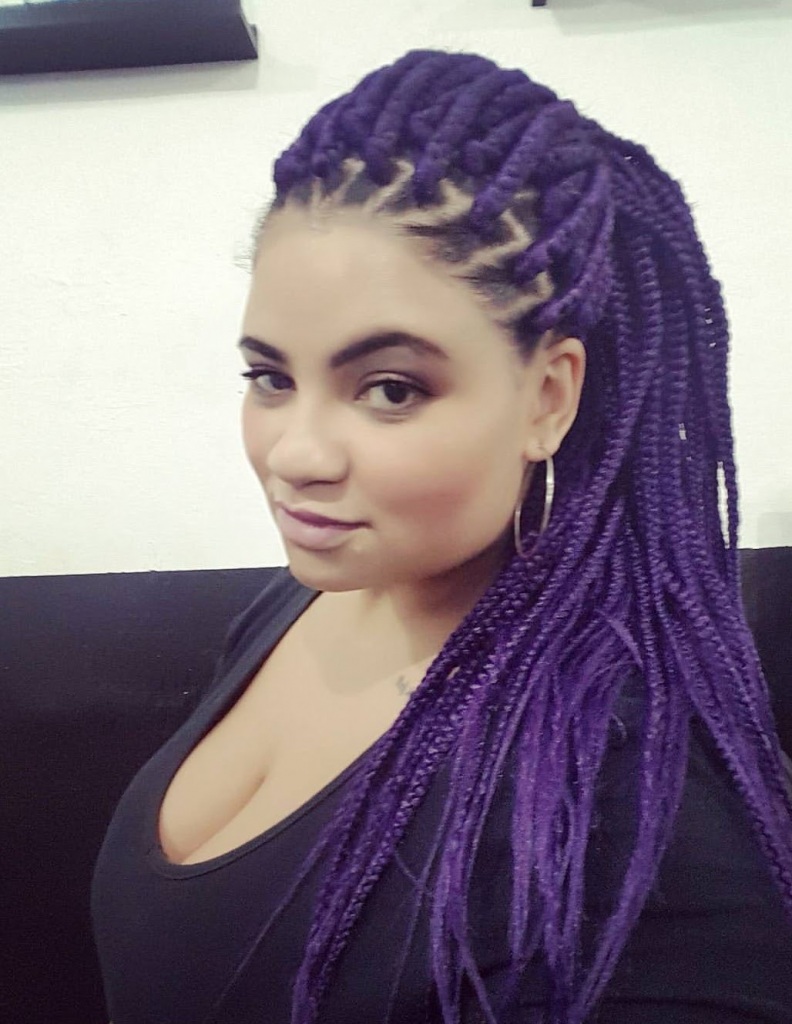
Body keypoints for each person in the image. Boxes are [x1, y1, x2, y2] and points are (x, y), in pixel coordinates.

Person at [90, 49, 792, 1024]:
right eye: (270, 378)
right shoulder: (305, 601)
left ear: (548, 397)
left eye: (389, 389)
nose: (295, 454)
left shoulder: (627, 835)